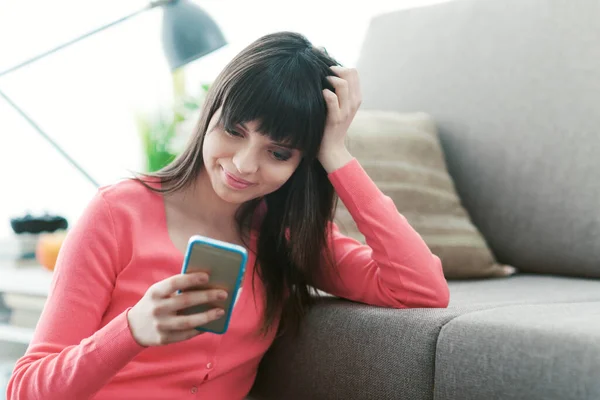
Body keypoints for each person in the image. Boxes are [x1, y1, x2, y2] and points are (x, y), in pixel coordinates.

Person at [7, 31, 449, 400]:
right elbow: (25, 388)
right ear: (210, 112)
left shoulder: (285, 233)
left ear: (302, 161)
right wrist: (131, 330)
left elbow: (419, 287)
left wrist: (335, 154)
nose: (243, 164)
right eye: (234, 131)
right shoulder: (117, 213)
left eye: (278, 152)